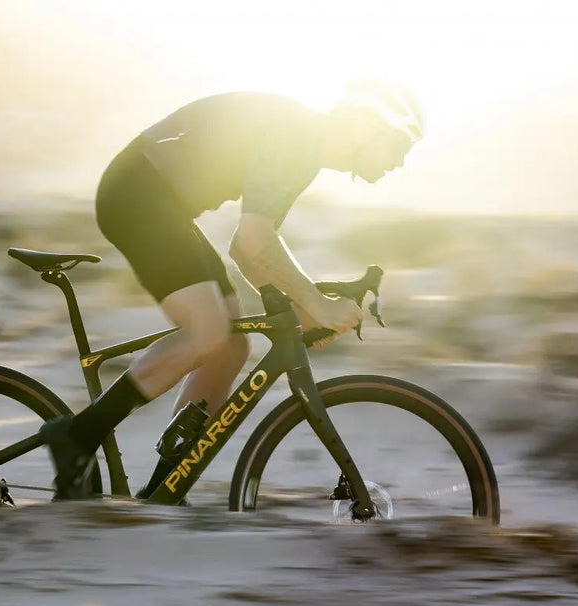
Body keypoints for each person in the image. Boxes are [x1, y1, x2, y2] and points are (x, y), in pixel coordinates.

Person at [41, 82, 425, 499]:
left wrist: (299, 309)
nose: (400, 162)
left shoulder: (305, 149)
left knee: (230, 347)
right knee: (208, 331)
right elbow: (255, 241)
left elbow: (248, 249)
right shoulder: (297, 136)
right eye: (398, 146)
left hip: (162, 205)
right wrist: (316, 303)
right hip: (136, 195)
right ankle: (77, 437)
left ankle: (162, 492)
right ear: (366, 127)